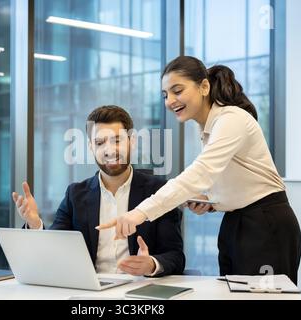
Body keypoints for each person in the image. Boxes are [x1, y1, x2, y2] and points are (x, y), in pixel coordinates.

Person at [97, 56, 301, 284]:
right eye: (165, 95)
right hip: (236, 222)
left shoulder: (231, 118)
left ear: (204, 86)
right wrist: (211, 200)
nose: (169, 101)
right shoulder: (207, 128)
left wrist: (139, 213)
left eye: (177, 90)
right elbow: (231, 180)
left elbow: (200, 172)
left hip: (265, 224)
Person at [12, 105, 185, 277]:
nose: (109, 150)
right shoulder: (75, 194)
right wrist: (35, 224)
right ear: (91, 147)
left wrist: (151, 264)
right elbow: (54, 250)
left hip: (140, 289)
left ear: (132, 141)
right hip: (90, 291)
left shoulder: (158, 191)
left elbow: (176, 256)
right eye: (100, 143)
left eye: (117, 140)